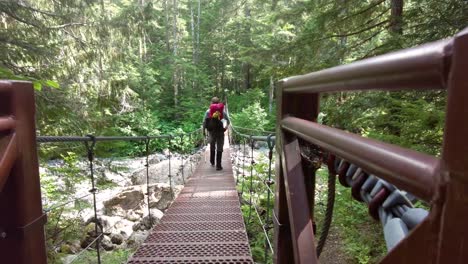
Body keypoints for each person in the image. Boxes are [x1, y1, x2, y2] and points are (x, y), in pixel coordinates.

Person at [202, 97, 230, 170]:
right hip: (220, 132)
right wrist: (225, 128)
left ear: (211, 103)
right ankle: (218, 165)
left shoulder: (208, 112)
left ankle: (212, 161)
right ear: (219, 103)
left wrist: (203, 132)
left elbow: (204, 122)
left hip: (211, 132)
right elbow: (228, 122)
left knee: (212, 145)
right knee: (220, 147)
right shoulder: (222, 112)